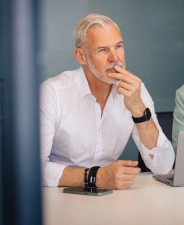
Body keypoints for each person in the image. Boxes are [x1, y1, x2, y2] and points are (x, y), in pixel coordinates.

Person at [40, 14, 175, 190]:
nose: (115, 58)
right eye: (103, 50)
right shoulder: (53, 92)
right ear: (81, 56)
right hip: (57, 197)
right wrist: (95, 177)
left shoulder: (135, 90)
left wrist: (139, 110)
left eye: (118, 46)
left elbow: (163, 166)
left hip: (110, 198)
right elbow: (29, 169)